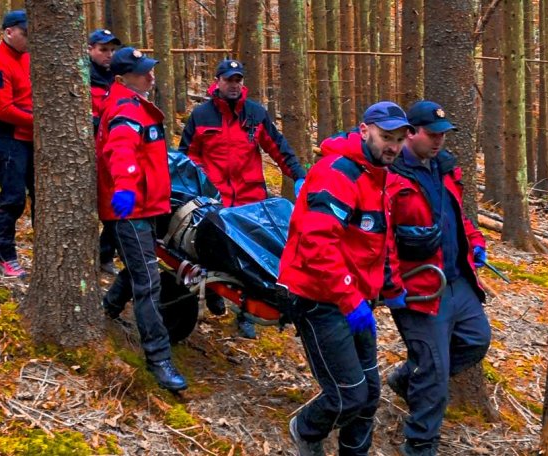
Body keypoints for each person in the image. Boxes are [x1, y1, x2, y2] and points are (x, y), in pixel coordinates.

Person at [277, 101, 411, 456]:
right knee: (348, 394)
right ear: (365, 130)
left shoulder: (380, 176)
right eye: (386, 137)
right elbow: (317, 243)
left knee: (369, 395)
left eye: (399, 139)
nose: (393, 147)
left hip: (355, 299)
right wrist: (350, 300)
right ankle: (305, 429)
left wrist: (389, 286)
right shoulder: (338, 173)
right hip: (319, 298)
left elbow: (379, 240)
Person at [383, 100, 492, 456]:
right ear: (410, 133)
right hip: (419, 286)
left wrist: (475, 244)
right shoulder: (390, 175)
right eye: (432, 134)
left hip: (457, 280)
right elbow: (380, 238)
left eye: (443, 135)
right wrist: (391, 284)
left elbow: (458, 219)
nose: (439, 141)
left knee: (476, 339)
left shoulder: (444, 169)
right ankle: (420, 444)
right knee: (435, 376)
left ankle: (407, 377)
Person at [178, 59, 307, 339]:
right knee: (210, 252)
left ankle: (245, 314)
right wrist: (200, 181)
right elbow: (186, 155)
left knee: (250, 258)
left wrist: (298, 176)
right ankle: (212, 293)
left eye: (238, 80)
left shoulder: (255, 114)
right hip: (215, 201)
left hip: (251, 200)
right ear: (218, 82)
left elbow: (278, 149)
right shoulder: (201, 116)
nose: (234, 85)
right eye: (228, 80)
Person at [97, 47, 187, 393]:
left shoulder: (136, 105)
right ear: (123, 78)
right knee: (148, 282)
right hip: (131, 210)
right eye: (142, 72)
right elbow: (120, 151)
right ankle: (158, 358)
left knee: (141, 262)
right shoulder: (125, 110)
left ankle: (110, 307)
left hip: (148, 206)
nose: (151, 76)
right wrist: (124, 188)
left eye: (150, 69)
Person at [0, 10, 33, 278]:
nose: (28, 38)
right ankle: (5, 256)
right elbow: (3, 110)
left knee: (43, 196)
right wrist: (41, 122)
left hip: (31, 135)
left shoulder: (29, 57)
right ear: (9, 31)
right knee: (13, 197)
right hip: (5, 137)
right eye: (25, 33)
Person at [87, 29, 123, 276]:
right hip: (89, 151)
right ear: (90, 49)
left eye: (111, 50)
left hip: (114, 150)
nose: (108, 55)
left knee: (116, 206)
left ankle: (106, 253)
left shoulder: (117, 77)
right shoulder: (82, 77)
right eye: (103, 50)